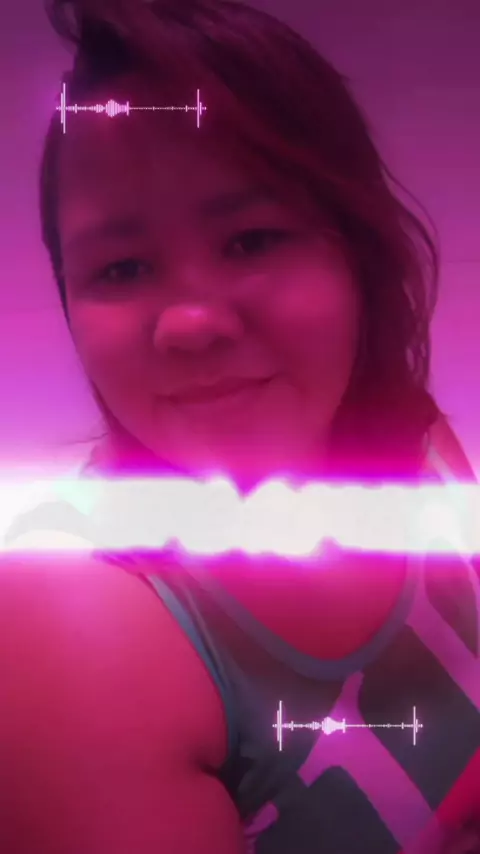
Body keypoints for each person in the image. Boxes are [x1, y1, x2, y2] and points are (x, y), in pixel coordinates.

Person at [1, 0, 479, 852]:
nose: (190, 323)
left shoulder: (413, 442)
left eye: (252, 240)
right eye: (122, 268)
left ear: (357, 251)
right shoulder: (72, 628)